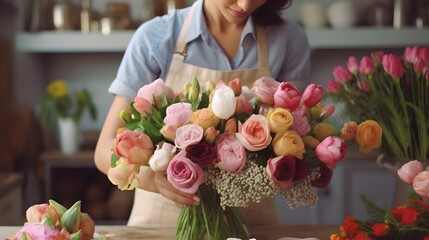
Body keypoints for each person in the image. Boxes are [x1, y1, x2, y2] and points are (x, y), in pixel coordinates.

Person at [95, 0, 310, 229]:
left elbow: (294, 132)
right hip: (160, 225)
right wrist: (151, 179)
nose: (245, 5)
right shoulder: (156, 36)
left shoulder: (289, 39)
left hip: (252, 226)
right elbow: (103, 151)